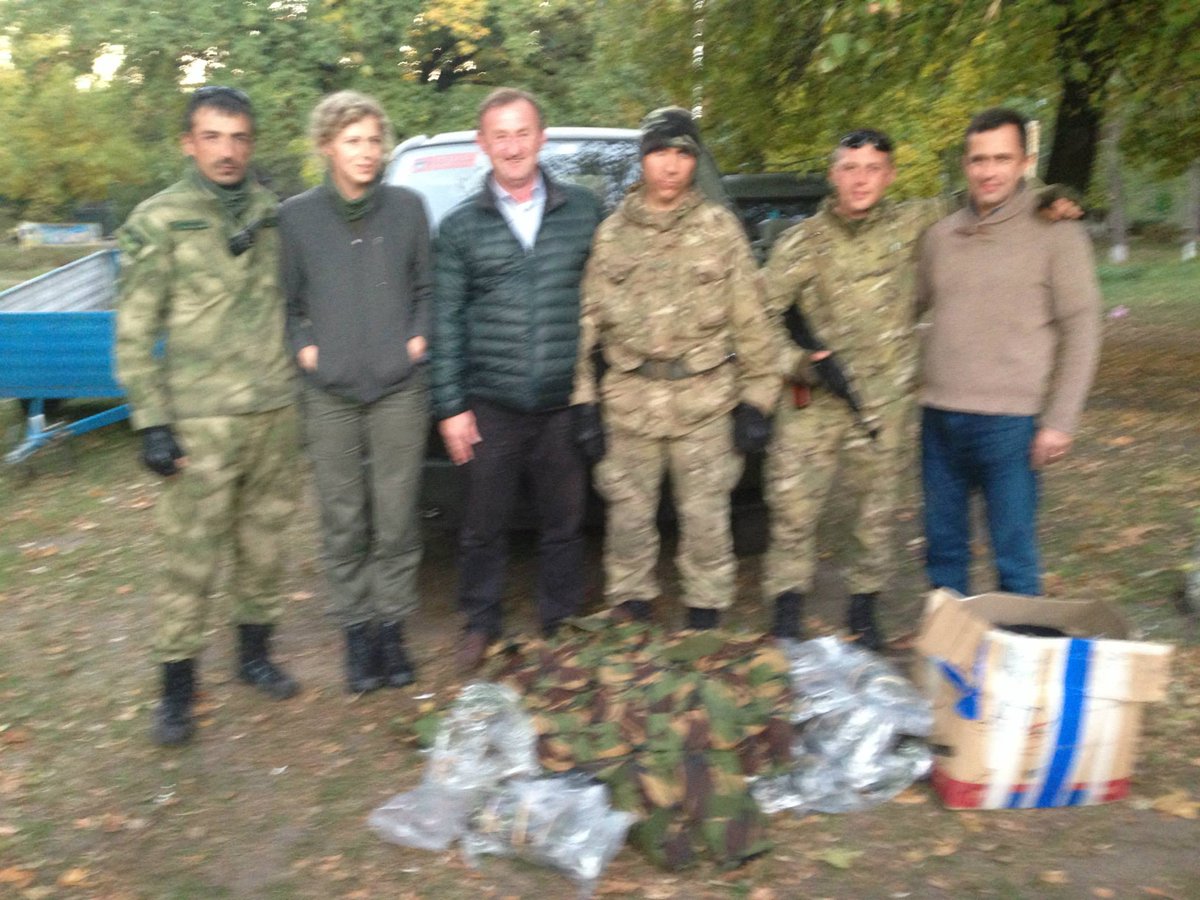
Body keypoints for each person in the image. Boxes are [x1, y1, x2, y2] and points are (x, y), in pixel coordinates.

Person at [762, 127, 1084, 648]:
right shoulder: (800, 242)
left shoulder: (917, 224)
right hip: (813, 404)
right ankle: (787, 613)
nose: (860, 180)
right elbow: (758, 317)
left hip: (884, 404)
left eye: (873, 169)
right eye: (849, 167)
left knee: (875, 513)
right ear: (832, 174)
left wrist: (1051, 193)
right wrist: (797, 361)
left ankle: (864, 613)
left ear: (889, 175)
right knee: (793, 509)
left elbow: (989, 188)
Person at [116, 86, 300, 747]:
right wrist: (151, 422)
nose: (227, 151)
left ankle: (254, 656)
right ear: (189, 143)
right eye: (213, 137)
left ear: (252, 143)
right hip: (199, 421)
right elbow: (135, 331)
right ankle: (176, 690)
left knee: (264, 547)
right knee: (188, 560)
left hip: (273, 412)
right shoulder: (159, 218)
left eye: (239, 137)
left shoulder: (275, 212)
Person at [571, 107, 779, 630]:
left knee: (707, 521)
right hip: (629, 405)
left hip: (704, 406)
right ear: (643, 159)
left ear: (695, 161)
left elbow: (751, 320)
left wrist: (758, 400)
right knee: (628, 520)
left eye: (683, 153)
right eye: (660, 152)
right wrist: (584, 404)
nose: (671, 164)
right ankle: (632, 611)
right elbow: (586, 324)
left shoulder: (719, 229)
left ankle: (705, 616)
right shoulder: (612, 234)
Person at [430, 88, 603, 671]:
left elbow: (609, 301)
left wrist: (600, 394)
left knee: (565, 523)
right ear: (484, 145)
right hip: (492, 404)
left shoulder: (584, 212)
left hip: (563, 402)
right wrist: (451, 406)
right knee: (483, 526)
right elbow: (445, 320)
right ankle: (480, 621)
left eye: (521, 132)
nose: (512, 145)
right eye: (499, 135)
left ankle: (560, 621)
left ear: (541, 137)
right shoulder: (458, 229)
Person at [280, 91, 431, 693]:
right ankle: (355, 631)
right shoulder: (295, 217)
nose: (366, 152)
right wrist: (305, 348)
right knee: (344, 519)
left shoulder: (408, 208)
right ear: (326, 146)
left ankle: (391, 629)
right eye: (352, 141)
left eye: (373, 140)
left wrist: (417, 341)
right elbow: (287, 302)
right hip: (329, 392)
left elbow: (429, 289)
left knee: (395, 518)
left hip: (399, 388)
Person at [917, 107, 1101, 597]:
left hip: (1012, 426)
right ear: (965, 164)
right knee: (943, 553)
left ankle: (1020, 660)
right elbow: (907, 309)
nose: (989, 171)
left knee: (1014, 557)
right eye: (979, 159)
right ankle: (946, 662)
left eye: (1002, 158)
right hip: (939, 418)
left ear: (1025, 161)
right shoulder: (941, 235)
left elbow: (1082, 326)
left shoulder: (1057, 233)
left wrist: (1061, 419)